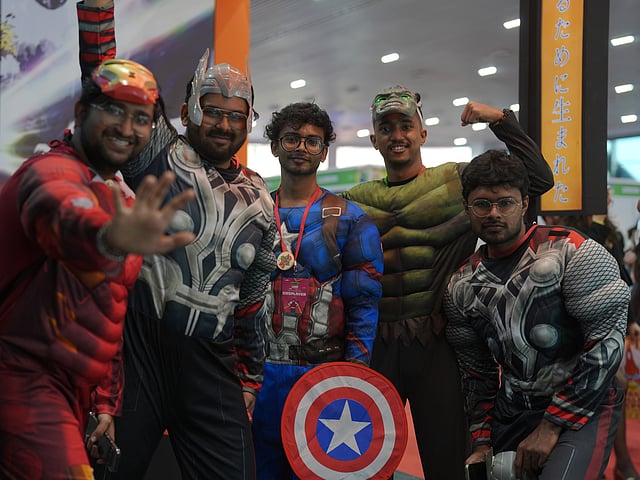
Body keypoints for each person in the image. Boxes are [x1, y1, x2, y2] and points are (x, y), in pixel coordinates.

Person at [78, 2, 277, 479]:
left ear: (248, 121)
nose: (224, 124)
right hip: (139, 355)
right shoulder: (159, 151)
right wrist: (97, 11)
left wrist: (250, 377)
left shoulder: (260, 199)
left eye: (236, 116)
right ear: (187, 111)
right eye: (213, 112)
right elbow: (107, 81)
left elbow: (253, 300)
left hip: (212, 365)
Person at [340, 86, 554, 479]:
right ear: (374, 140)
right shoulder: (355, 199)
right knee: (360, 462)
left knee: (449, 462)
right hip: (377, 344)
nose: (397, 135)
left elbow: (538, 179)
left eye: (406, 126)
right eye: (386, 129)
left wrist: (500, 120)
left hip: (439, 343)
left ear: (422, 134)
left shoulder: (456, 182)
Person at [0, 58, 195, 479]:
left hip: (69, 391)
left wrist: (104, 403)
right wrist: (108, 239)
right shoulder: (51, 172)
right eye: (114, 110)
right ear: (81, 112)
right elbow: (64, 217)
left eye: (141, 118)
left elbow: (108, 308)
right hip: (22, 377)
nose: (127, 128)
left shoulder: (117, 196)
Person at [444, 151, 628, 479]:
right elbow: (477, 374)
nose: (494, 213)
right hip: (515, 406)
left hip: (587, 399)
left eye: (505, 203)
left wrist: (552, 425)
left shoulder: (573, 251)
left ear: (525, 204)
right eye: (482, 204)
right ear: (466, 207)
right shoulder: (460, 285)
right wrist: (482, 440)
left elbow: (606, 346)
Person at [251, 102, 384, 479]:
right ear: (274, 146)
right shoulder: (253, 212)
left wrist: (354, 377)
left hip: (324, 373)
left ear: (324, 151)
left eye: (312, 141)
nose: (301, 148)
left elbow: (364, 307)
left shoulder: (351, 220)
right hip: (257, 374)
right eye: (291, 139)